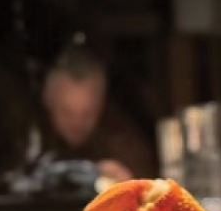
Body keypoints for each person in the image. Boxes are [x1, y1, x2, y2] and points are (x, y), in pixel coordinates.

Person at [39, 45, 155, 181]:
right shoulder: (33, 143)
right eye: (66, 113)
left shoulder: (123, 144)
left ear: (101, 105)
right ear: (48, 103)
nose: (77, 123)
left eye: (87, 113)